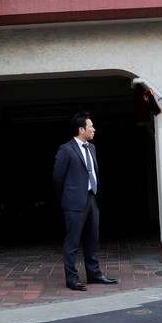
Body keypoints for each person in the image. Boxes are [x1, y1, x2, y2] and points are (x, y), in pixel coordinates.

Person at [52, 112, 117, 291]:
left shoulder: (92, 148)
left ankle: (94, 274)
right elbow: (58, 178)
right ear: (81, 130)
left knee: (93, 239)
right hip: (73, 202)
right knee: (72, 242)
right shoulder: (66, 150)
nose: (94, 129)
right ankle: (72, 279)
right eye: (91, 126)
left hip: (91, 198)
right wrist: (64, 198)